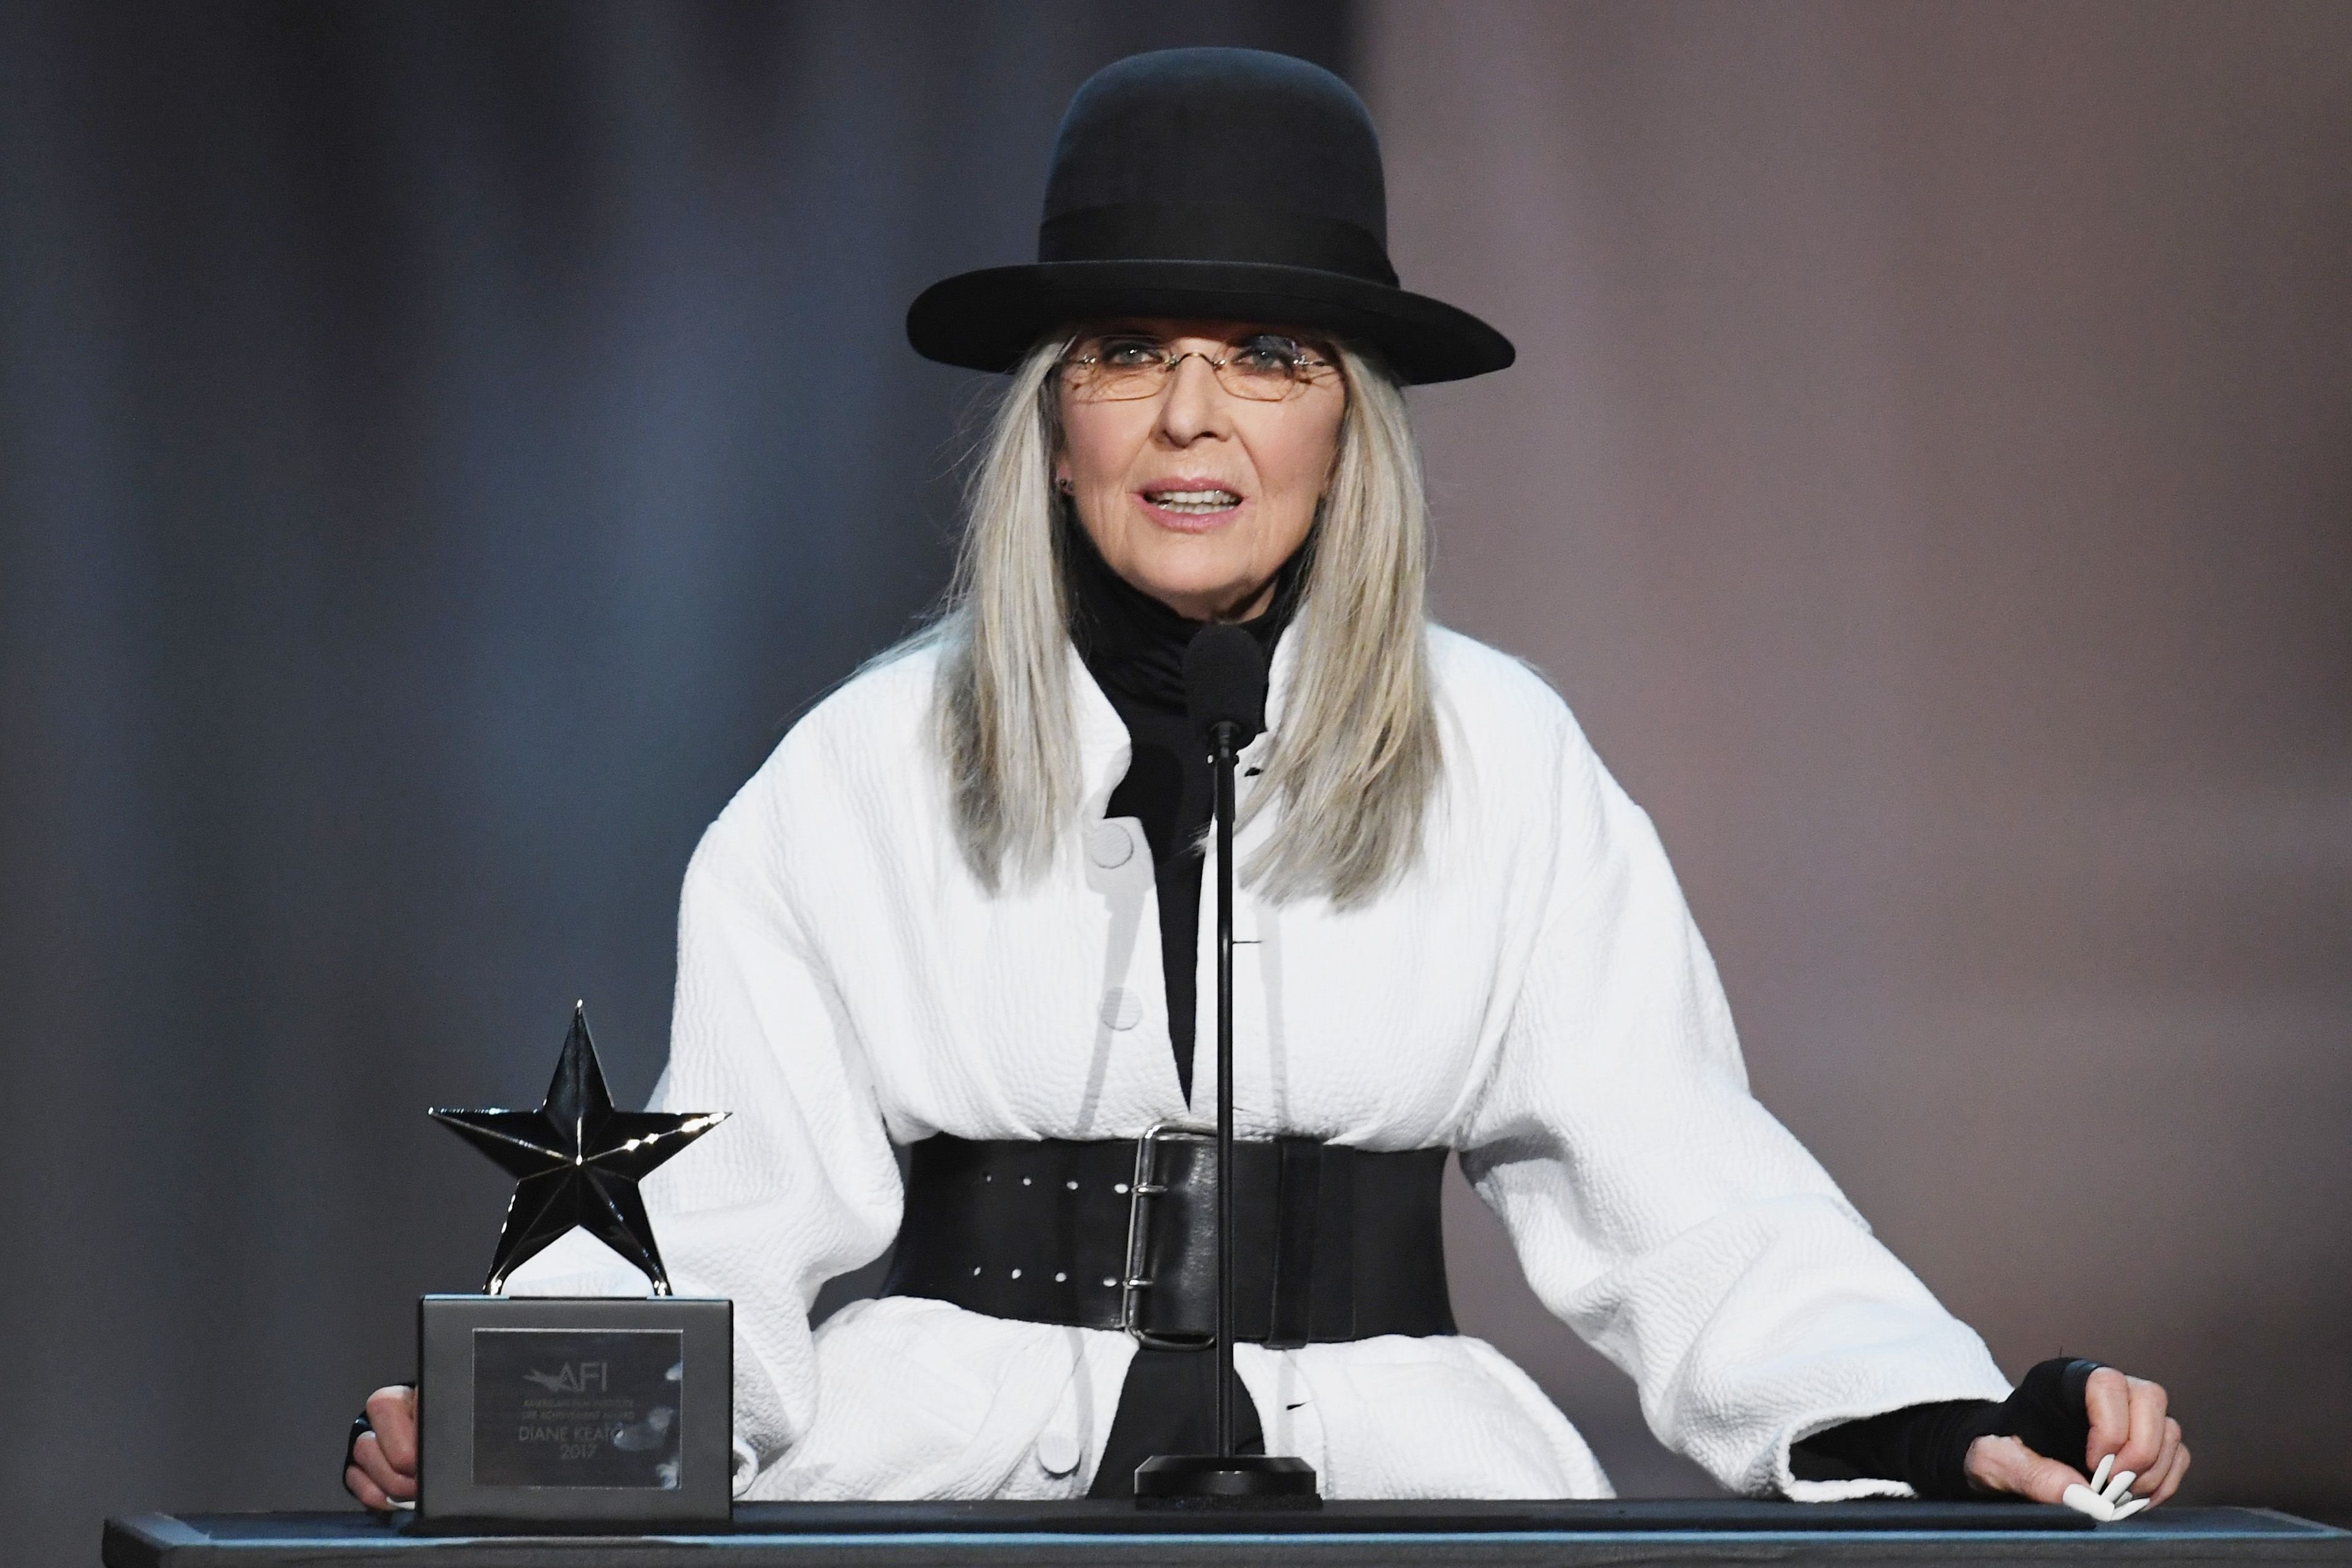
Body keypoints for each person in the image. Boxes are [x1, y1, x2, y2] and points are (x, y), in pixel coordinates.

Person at [346, 47, 2188, 1511]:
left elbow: (1694, 1193)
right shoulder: (857, 772)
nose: (1191, 418)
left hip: (1405, 1488)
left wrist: (1937, 1419)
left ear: (1348, 426)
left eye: (1268, 357)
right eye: (1132, 352)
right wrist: (533, 1418)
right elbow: (727, 1210)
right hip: (951, 1489)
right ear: (1054, 423)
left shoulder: (1506, 764)